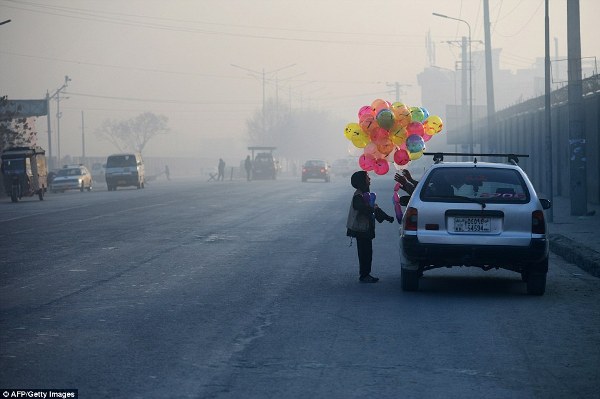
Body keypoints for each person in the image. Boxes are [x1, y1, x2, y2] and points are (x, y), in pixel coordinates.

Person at [346, 171, 394, 283]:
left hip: (366, 229)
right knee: (364, 253)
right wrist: (371, 208)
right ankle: (364, 275)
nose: (369, 179)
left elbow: (374, 209)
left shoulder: (365, 195)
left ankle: (366, 274)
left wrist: (387, 217)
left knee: (367, 252)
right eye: (367, 177)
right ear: (362, 181)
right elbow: (362, 208)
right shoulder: (358, 195)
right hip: (361, 230)